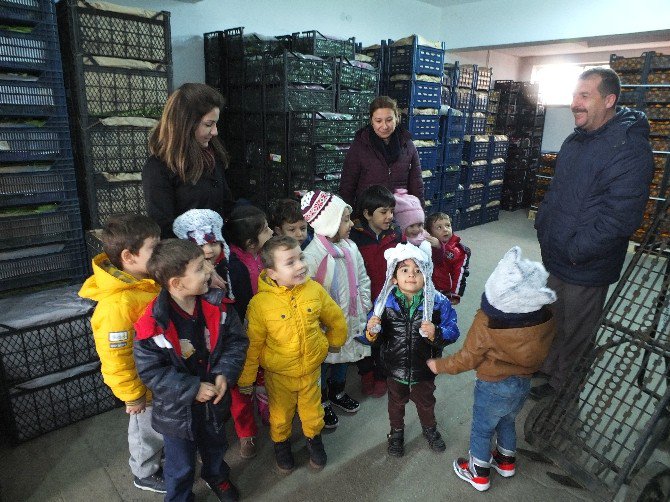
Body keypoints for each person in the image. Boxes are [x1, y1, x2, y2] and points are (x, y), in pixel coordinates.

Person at [532, 67, 654, 399]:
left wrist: (576, 249)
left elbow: (621, 217)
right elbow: (556, 192)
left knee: (577, 329)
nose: (575, 103)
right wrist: (544, 224)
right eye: (574, 95)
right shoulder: (576, 140)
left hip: (586, 261)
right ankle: (547, 368)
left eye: (585, 96)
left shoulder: (630, 148)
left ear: (609, 100)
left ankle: (563, 388)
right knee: (552, 316)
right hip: (558, 252)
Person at [427, 247, 557, 492]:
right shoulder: (544, 318)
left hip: (493, 384)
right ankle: (506, 461)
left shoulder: (487, 321)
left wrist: (439, 365)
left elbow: (467, 358)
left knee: (482, 428)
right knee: (507, 420)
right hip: (522, 383)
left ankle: (478, 472)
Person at [133, 239, 249, 502]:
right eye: (199, 268)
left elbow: (236, 343)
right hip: (176, 413)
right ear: (176, 283)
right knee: (180, 463)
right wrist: (192, 388)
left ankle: (217, 476)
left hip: (214, 403)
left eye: (206, 264)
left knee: (216, 447)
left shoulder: (219, 306)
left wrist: (224, 374)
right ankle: (179, 496)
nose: (208, 271)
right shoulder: (152, 325)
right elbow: (152, 372)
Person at [237, 235, 347, 473]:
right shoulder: (259, 305)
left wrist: (334, 342)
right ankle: (281, 445)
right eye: (290, 262)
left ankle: (314, 440)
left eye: (301, 257)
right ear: (272, 273)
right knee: (280, 415)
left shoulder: (314, 290)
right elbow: (253, 345)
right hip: (279, 375)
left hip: (311, 370)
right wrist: (246, 379)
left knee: (313, 411)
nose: (300, 266)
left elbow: (335, 317)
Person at [78, 214, 164, 494]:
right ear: (129, 256)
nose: (161, 252)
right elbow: (115, 358)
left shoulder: (149, 282)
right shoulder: (117, 305)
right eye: (155, 248)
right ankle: (145, 471)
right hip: (143, 387)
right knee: (145, 431)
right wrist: (132, 394)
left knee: (159, 427)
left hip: (161, 377)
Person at [172, 208, 259, 459]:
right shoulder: (187, 279)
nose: (208, 250)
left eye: (213, 242)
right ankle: (209, 439)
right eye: (199, 246)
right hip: (200, 347)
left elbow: (244, 304)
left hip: (230, 341)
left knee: (239, 391)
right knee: (207, 397)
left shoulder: (236, 269)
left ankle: (246, 432)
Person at [366, 242, 459, 458]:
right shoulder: (384, 302)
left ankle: (430, 429)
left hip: (423, 368)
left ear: (427, 274)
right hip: (395, 367)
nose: (411, 275)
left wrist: (437, 332)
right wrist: (372, 331)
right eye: (405, 270)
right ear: (394, 276)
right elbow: (375, 335)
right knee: (396, 403)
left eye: (418, 270)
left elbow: (453, 330)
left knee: (426, 402)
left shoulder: (437, 302)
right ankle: (396, 432)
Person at [300, 190, 372, 429]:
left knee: (344, 357)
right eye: (345, 219)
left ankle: (337, 392)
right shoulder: (310, 257)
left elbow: (362, 278)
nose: (351, 223)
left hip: (350, 317)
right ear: (328, 222)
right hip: (324, 326)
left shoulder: (351, 247)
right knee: (323, 363)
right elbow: (306, 296)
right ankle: (321, 401)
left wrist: (363, 304)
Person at [142, 83, 234, 239]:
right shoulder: (158, 168)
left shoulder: (212, 156)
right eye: (208, 124)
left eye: (215, 123)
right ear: (186, 124)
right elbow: (164, 229)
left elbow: (227, 205)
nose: (215, 131)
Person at [349, 184, 404, 397]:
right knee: (365, 339)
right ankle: (366, 374)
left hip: (389, 299)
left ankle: (381, 376)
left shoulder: (396, 234)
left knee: (385, 341)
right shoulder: (355, 237)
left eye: (391, 211)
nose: (389, 216)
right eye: (384, 212)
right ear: (367, 213)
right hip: (365, 301)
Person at [224, 205, 275, 429]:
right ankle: (246, 429)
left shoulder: (262, 256)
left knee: (264, 374)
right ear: (250, 243)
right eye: (265, 230)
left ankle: (265, 407)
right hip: (248, 328)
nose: (272, 232)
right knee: (246, 376)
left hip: (266, 321)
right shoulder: (235, 266)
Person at [339, 95, 424, 208]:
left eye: (389, 120)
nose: (384, 126)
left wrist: (419, 214)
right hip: (369, 215)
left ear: (397, 119)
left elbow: (416, 185)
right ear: (371, 121)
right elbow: (347, 185)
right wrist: (351, 215)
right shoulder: (360, 146)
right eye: (378, 121)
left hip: (400, 213)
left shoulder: (408, 146)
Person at [426, 212, 471, 306]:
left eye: (448, 225)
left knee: (441, 315)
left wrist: (455, 294)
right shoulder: (426, 245)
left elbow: (459, 274)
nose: (445, 230)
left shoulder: (457, 251)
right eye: (439, 227)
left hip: (445, 291)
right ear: (430, 232)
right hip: (427, 287)